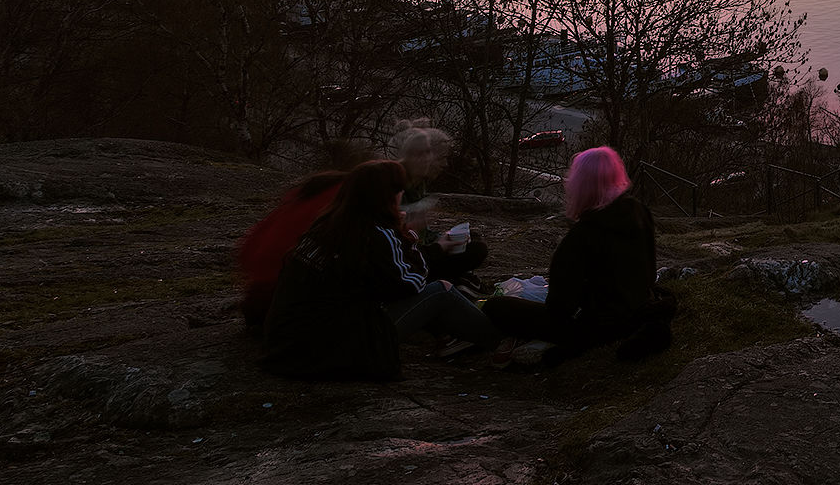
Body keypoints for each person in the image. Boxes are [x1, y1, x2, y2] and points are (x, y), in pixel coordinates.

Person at [262, 160, 501, 380]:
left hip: (286, 347)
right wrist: (406, 236)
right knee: (442, 291)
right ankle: (499, 340)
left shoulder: (327, 225)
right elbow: (411, 283)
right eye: (399, 191)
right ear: (387, 196)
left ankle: (458, 331)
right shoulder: (375, 233)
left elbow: (374, 281)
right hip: (333, 351)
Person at [483, 146, 659, 362]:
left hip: (597, 328)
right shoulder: (641, 213)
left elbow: (559, 308)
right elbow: (649, 274)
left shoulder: (583, 235)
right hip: (637, 313)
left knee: (496, 306)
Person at [235, 170, 344, 332]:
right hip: (291, 309)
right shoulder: (343, 201)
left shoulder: (294, 202)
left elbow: (246, 251)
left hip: (256, 304)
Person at [393, 124, 489, 285]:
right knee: (476, 250)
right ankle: (442, 281)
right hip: (408, 260)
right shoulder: (396, 183)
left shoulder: (418, 183)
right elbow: (400, 242)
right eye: (442, 158)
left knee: (471, 237)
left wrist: (442, 238)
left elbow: (423, 233)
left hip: (419, 251)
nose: (445, 164)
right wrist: (438, 245)